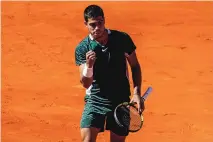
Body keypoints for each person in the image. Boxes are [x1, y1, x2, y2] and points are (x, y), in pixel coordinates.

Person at [75, 4, 145, 142]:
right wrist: (89, 66)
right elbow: (85, 83)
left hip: (120, 100)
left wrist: (137, 92)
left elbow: (135, 66)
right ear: (86, 24)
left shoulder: (122, 39)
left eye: (100, 23)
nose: (97, 28)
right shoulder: (83, 48)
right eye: (92, 24)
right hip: (95, 101)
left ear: (104, 20)